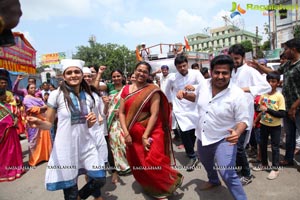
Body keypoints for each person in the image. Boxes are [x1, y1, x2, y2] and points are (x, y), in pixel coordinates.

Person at [26, 59, 106, 200]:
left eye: (76, 72)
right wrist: (39, 122)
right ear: (63, 76)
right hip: (65, 147)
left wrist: (91, 122)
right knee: (70, 190)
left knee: (100, 178)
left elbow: (86, 125)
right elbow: (49, 124)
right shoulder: (56, 94)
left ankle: (80, 197)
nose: (73, 75)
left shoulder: (88, 96)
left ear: (82, 75)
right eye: (69, 72)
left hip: (86, 145)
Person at [178, 55, 248, 199]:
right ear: (211, 71)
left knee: (227, 173)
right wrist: (185, 95)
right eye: (217, 72)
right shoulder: (204, 84)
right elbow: (196, 97)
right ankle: (213, 180)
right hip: (203, 135)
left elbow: (243, 120)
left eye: (225, 73)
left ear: (231, 73)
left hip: (224, 138)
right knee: (205, 161)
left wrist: (237, 132)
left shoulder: (237, 94)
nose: (220, 76)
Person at [119, 61, 183, 199]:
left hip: (152, 131)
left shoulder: (152, 90)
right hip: (132, 133)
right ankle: (150, 185)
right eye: (139, 70)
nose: (141, 73)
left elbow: (154, 114)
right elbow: (122, 113)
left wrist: (145, 135)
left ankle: (162, 189)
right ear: (134, 71)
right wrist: (126, 132)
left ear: (148, 74)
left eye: (145, 71)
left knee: (154, 162)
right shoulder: (125, 90)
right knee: (138, 162)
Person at [228, 44, 271, 185]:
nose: (234, 61)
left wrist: (245, 89)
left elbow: (267, 86)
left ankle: (247, 174)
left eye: (236, 58)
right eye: (231, 58)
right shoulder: (229, 71)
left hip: (244, 115)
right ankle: (238, 170)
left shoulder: (249, 71)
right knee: (232, 145)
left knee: (239, 147)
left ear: (243, 58)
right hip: (230, 115)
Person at [253, 38, 300, 167]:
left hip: (297, 107)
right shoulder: (288, 64)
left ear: (294, 49)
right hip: (287, 107)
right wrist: (258, 65)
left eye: (286, 49)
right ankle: (288, 159)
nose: (285, 52)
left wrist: (294, 107)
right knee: (290, 136)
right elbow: (274, 73)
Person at [164, 54, 205, 171]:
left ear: (187, 64)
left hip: (195, 107)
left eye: (184, 66)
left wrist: (195, 87)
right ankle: (192, 155)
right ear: (176, 67)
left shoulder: (196, 73)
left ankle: (190, 149)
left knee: (192, 131)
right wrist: (169, 102)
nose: (182, 68)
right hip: (180, 109)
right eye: (179, 67)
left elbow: (204, 85)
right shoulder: (172, 78)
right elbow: (166, 92)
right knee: (184, 131)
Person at [252, 72, 286, 180]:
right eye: (268, 81)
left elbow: (282, 114)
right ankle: (264, 164)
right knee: (262, 145)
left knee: (275, 147)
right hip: (263, 124)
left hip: (275, 126)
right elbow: (258, 108)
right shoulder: (263, 94)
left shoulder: (279, 96)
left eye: (273, 81)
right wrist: (257, 106)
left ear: (277, 83)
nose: (270, 83)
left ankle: (275, 169)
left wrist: (268, 109)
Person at [23, 83, 52, 166]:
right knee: (34, 140)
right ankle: (34, 159)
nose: (33, 89)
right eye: (31, 88)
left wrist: (43, 108)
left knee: (44, 139)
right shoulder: (26, 99)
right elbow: (31, 109)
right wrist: (42, 108)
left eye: (34, 88)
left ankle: (45, 156)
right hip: (33, 121)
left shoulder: (38, 98)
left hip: (42, 120)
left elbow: (45, 106)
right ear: (27, 89)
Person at [0, 88, 24, 182]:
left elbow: (15, 116)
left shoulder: (8, 106)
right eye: (4, 95)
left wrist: (16, 121)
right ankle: (6, 171)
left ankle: (16, 168)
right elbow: (2, 122)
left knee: (14, 150)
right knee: (6, 152)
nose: (6, 96)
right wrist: (9, 124)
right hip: (5, 133)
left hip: (12, 131)